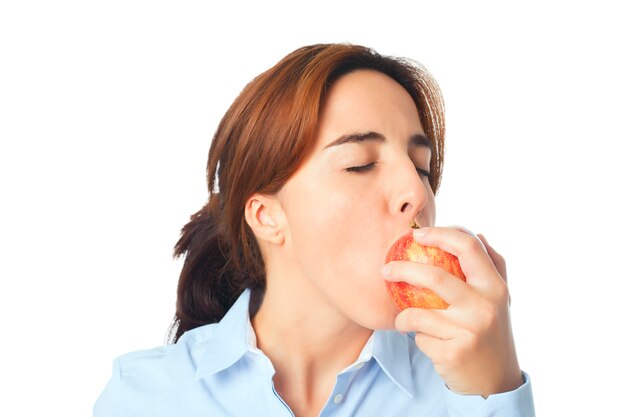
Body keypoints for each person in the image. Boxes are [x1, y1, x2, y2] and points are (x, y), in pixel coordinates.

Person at [94, 43, 535, 417]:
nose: (415, 194)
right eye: (360, 164)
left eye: (421, 169)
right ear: (267, 216)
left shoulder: (471, 393)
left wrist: (495, 391)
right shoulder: (142, 396)